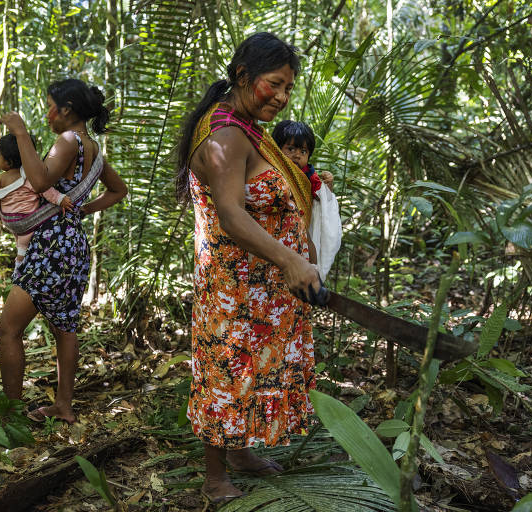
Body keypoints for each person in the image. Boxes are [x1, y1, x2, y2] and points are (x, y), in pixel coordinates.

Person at [175, 32, 326, 505]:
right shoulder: (224, 134)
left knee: (248, 373)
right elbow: (232, 214)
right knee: (226, 372)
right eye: (274, 84)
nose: (281, 98)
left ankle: (240, 455)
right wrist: (290, 259)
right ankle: (215, 477)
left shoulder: (242, 127)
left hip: (260, 288)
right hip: (236, 287)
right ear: (243, 75)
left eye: (288, 89)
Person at [0, 79, 128, 424]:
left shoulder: (68, 140)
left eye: (50, 105)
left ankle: (11, 417)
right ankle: (64, 406)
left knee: (7, 329)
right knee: (64, 327)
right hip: (72, 244)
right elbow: (118, 190)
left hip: (51, 244)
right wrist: (81, 211)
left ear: (66, 109)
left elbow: (40, 182)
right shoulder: (93, 148)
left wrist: (21, 133)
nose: (47, 113)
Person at [0, 133, 73, 270]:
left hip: (9, 221)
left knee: (19, 241)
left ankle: (19, 265)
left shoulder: (1, 179)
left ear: (8, 161)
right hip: (27, 221)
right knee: (23, 246)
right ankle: (20, 265)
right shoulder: (29, 176)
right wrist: (60, 199)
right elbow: (46, 190)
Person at [272, 120, 342, 279]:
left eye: (303, 151)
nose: (297, 155)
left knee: (308, 243)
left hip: (300, 225)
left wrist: (328, 185)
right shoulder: (270, 168)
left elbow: (321, 198)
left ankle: (315, 274)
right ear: (276, 148)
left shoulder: (309, 174)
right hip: (275, 228)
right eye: (290, 149)